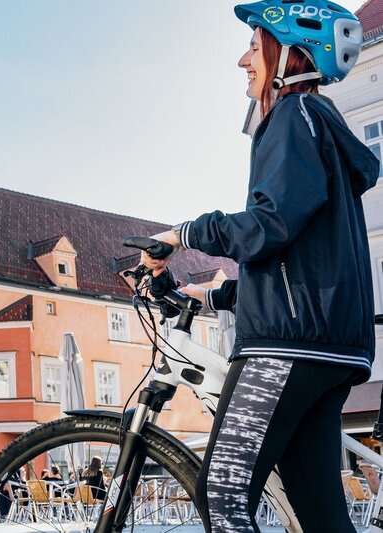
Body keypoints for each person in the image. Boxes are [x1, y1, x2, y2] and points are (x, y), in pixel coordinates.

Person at [140, 2, 378, 531]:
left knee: (221, 492)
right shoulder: (321, 127)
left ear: (289, 53)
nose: (242, 60)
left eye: (254, 45)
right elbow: (297, 259)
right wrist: (211, 295)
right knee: (321, 514)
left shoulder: (293, 116)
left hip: (287, 348)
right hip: (330, 347)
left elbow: (269, 225)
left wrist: (180, 235)